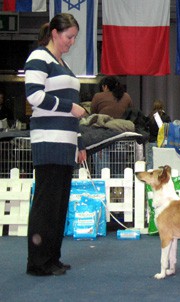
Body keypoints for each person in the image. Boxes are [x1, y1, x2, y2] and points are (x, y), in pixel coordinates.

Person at [24, 13, 86, 276]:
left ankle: (52, 257)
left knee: (59, 205)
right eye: (69, 37)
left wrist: (79, 142)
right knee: (46, 205)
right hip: (48, 142)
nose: (71, 42)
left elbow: (75, 112)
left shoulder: (62, 64)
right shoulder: (39, 58)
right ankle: (38, 262)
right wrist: (68, 106)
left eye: (74, 37)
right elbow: (34, 96)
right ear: (55, 34)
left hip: (65, 144)